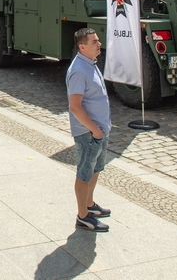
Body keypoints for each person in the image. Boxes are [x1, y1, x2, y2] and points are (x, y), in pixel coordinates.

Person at [66, 28, 112, 232]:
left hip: (98, 130)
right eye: (94, 42)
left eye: (98, 40)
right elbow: (75, 106)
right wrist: (95, 131)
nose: (98, 43)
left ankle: (90, 205)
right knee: (84, 172)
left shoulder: (90, 64)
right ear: (82, 46)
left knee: (95, 169)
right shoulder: (78, 70)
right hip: (89, 132)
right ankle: (83, 216)